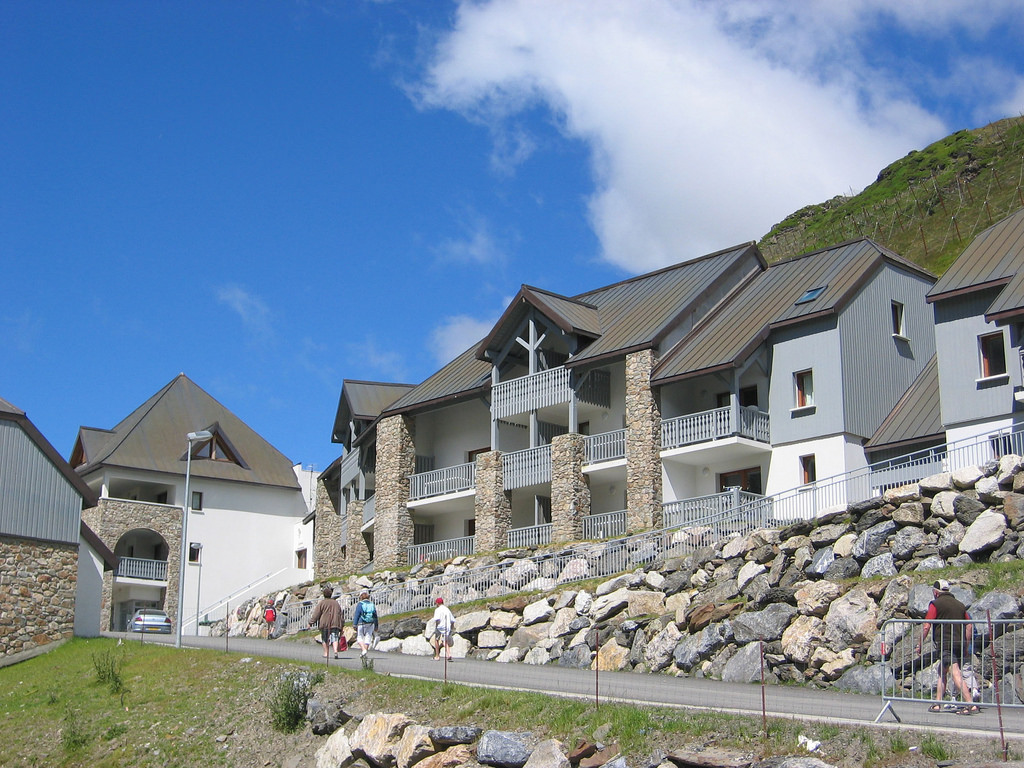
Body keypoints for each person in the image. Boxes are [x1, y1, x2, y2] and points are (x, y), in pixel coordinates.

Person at [916, 579, 976, 714]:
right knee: (942, 671)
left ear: (936, 592)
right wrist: (966, 646)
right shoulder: (960, 605)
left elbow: (926, 626)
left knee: (955, 672)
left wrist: (920, 644)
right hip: (959, 643)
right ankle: (937, 703)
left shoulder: (935, 604)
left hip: (946, 643)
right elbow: (969, 625)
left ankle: (970, 704)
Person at [308, 586, 346, 659]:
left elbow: (316, 614)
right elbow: (340, 614)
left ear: (324, 595)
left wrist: (310, 623)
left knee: (325, 638)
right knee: (335, 637)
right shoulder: (336, 603)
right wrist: (342, 625)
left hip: (324, 623)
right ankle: (335, 651)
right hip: (335, 623)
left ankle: (326, 653)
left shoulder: (322, 603)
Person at [353, 590, 378, 657]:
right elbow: (375, 616)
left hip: (362, 623)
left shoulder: (360, 604)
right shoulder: (372, 604)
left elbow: (357, 615)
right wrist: (376, 626)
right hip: (371, 623)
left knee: (359, 637)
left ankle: (363, 650)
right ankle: (365, 652)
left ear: (361, 597)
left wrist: (355, 624)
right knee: (368, 636)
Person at [432, 597, 455, 661]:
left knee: (436, 639)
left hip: (440, 626)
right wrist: (451, 628)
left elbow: (437, 620)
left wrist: (436, 627)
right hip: (447, 626)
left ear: (437, 603)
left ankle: (437, 656)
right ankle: (449, 654)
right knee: (445, 641)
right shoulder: (447, 609)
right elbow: (452, 620)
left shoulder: (437, 610)